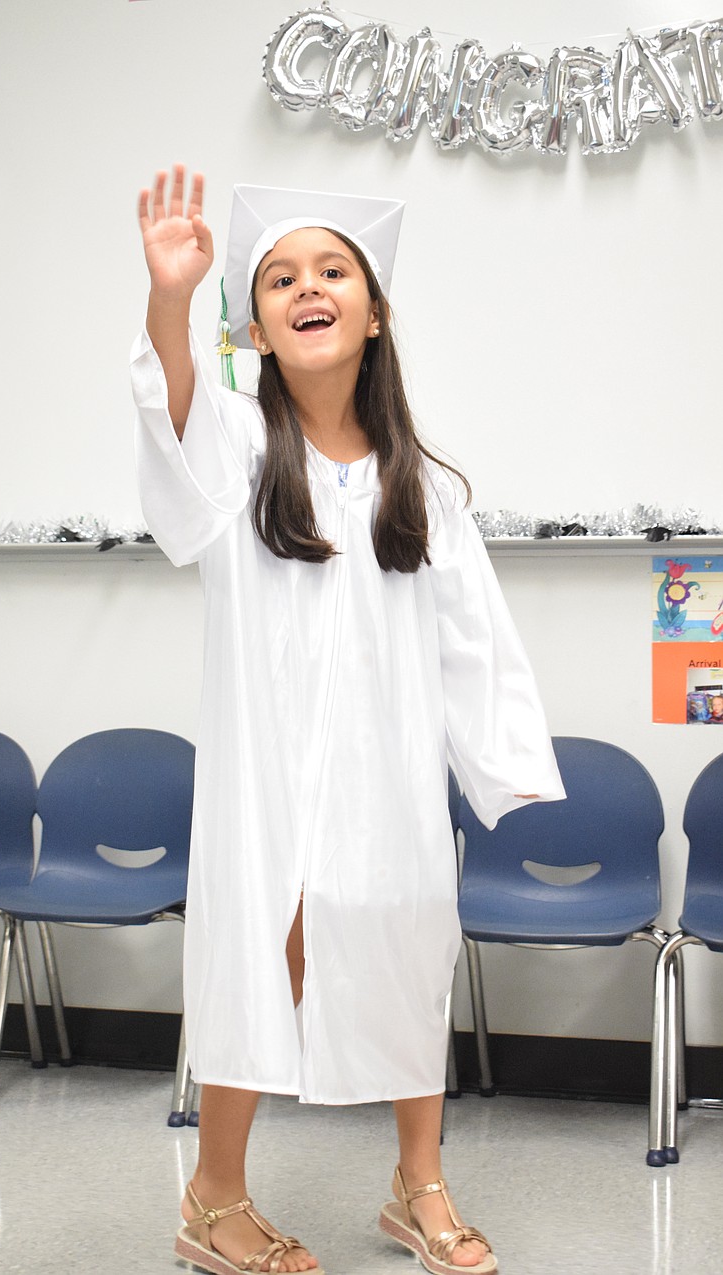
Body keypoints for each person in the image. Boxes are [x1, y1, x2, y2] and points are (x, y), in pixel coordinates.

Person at [132, 164, 565, 1275]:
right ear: (261, 329)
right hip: (266, 769)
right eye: (278, 278)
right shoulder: (232, 450)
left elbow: (472, 640)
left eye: (332, 270)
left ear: (372, 314)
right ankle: (212, 1197)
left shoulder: (424, 486)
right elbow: (170, 412)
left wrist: (505, 768)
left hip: (387, 772)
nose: (306, 287)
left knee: (407, 944)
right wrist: (171, 299)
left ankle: (417, 1186)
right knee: (260, 951)